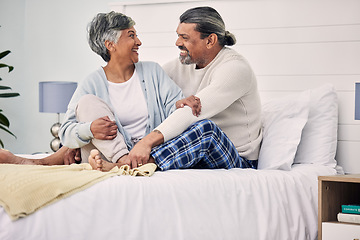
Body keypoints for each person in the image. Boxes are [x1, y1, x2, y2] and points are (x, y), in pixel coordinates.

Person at [89, 6, 262, 171]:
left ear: (210, 40)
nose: (178, 42)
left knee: (206, 129)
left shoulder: (235, 69)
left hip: (236, 158)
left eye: (185, 38)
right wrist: (81, 137)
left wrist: (146, 142)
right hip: (192, 152)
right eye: (178, 36)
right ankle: (129, 160)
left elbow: (193, 112)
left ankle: (127, 167)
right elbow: (142, 95)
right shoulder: (178, 66)